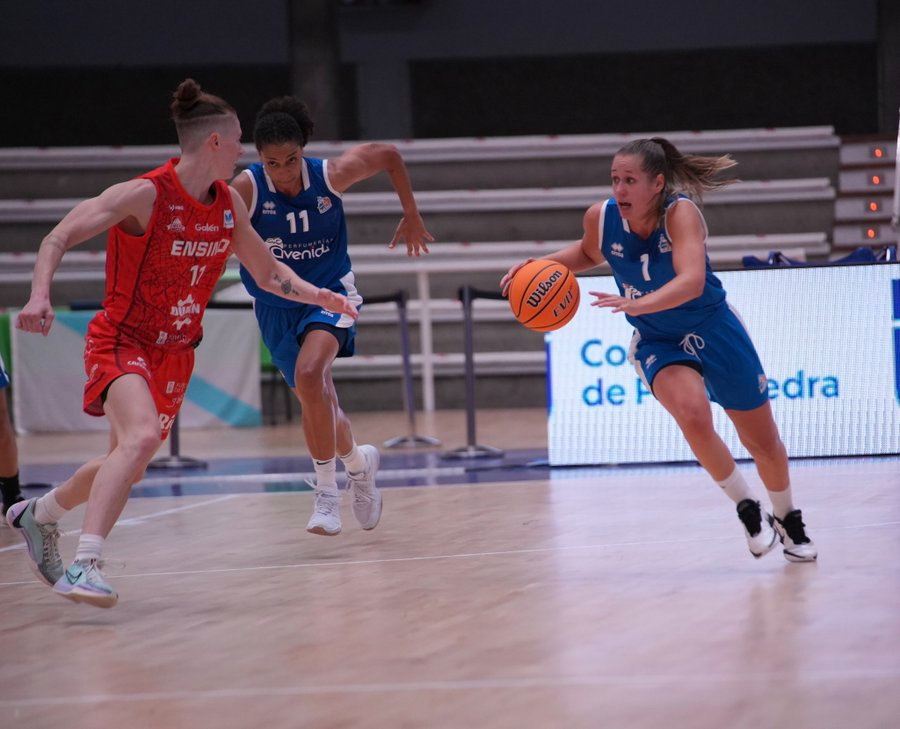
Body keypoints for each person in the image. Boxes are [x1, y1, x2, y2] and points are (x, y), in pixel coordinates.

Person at [7, 79, 359, 609]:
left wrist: (321, 297)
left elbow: (268, 273)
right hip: (122, 339)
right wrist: (38, 296)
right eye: (238, 140)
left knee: (124, 462)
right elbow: (58, 235)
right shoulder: (145, 194)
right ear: (214, 143)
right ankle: (85, 564)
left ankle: (41, 515)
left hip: (175, 351)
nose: (245, 152)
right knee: (143, 437)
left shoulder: (227, 208)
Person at [501, 137, 817, 563]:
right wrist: (538, 266)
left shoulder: (681, 214)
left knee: (763, 442)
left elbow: (692, 281)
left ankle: (787, 515)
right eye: (615, 180)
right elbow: (585, 252)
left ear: (657, 183)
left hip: (713, 327)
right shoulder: (602, 217)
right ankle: (747, 507)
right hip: (657, 339)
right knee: (692, 413)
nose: (620, 190)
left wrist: (637, 303)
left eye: (630, 180)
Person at [231, 96, 433, 536]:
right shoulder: (244, 190)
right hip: (275, 307)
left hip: (332, 297)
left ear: (303, 152)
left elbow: (389, 156)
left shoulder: (330, 175)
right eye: (272, 163)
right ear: (258, 158)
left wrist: (411, 213)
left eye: (291, 160)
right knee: (319, 401)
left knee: (309, 375)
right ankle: (359, 466)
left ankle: (326, 493)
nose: (283, 172)